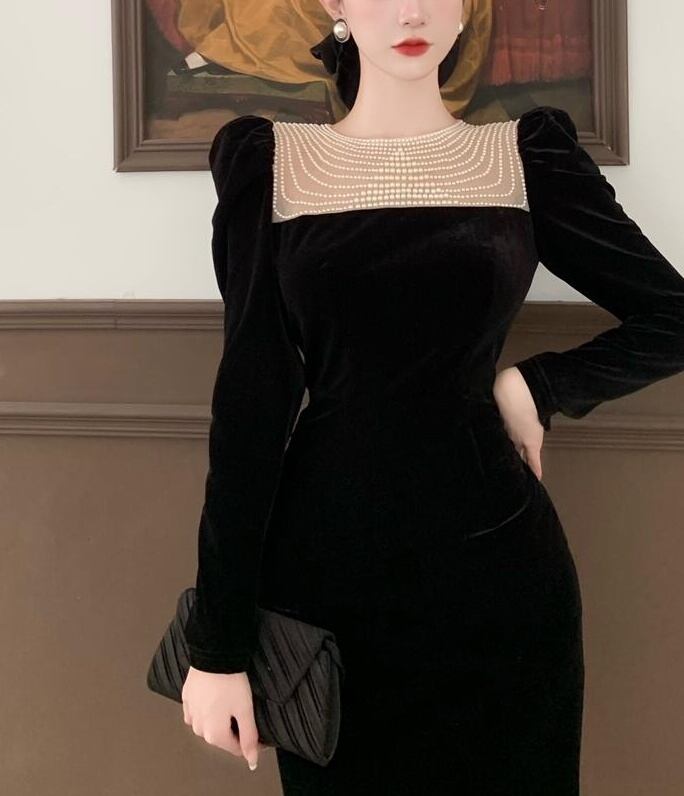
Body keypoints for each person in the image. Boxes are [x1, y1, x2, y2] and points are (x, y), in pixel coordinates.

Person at [179, 1, 684, 793]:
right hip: (328, 587)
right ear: (336, 5)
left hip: (502, 588)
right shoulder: (269, 161)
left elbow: (673, 318)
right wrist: (217, 647)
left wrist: (538, 386)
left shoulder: (526, 155)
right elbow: (251, 404)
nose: (411, 10)